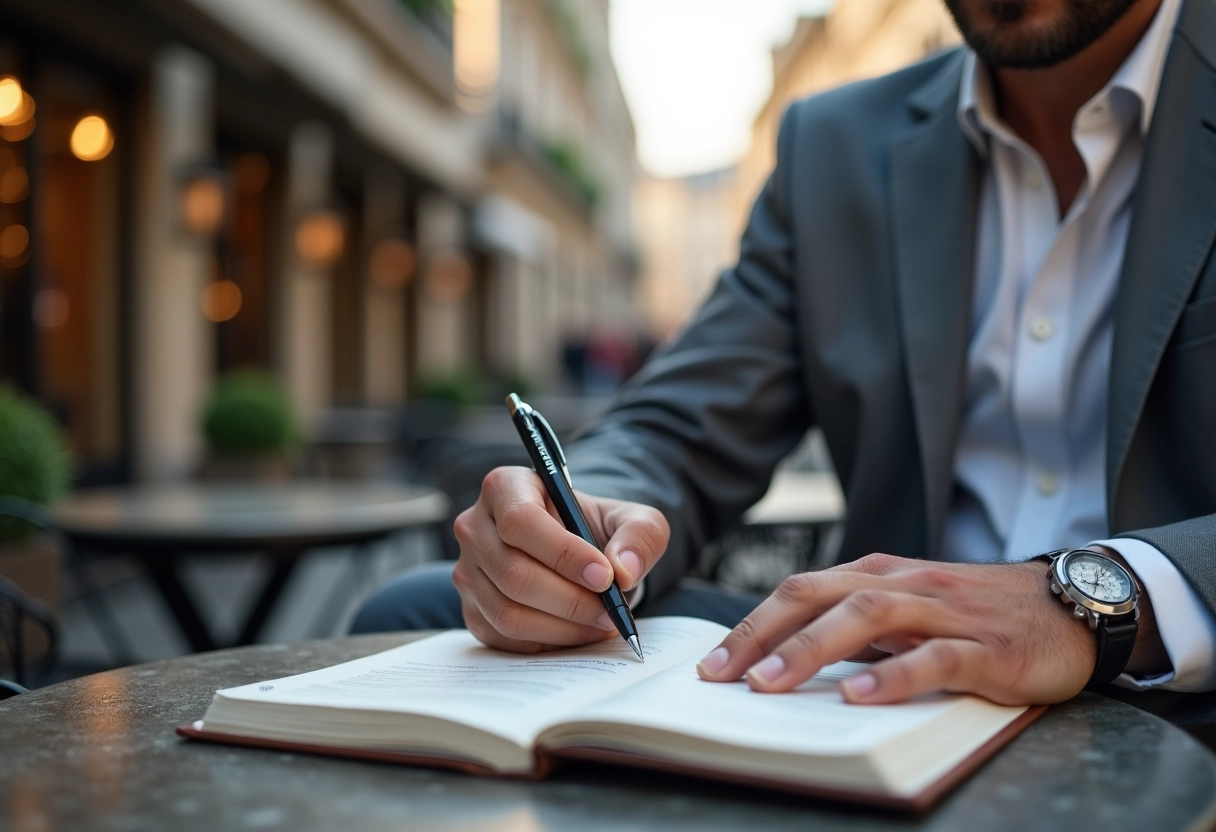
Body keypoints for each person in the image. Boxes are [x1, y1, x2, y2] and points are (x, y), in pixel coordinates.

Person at [354, 0, 1216, 718]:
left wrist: (1099, 599)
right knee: (421, 608)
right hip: (891, 682)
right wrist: (589, 514)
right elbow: (681, 421)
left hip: (1181, 677)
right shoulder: (836, 146)